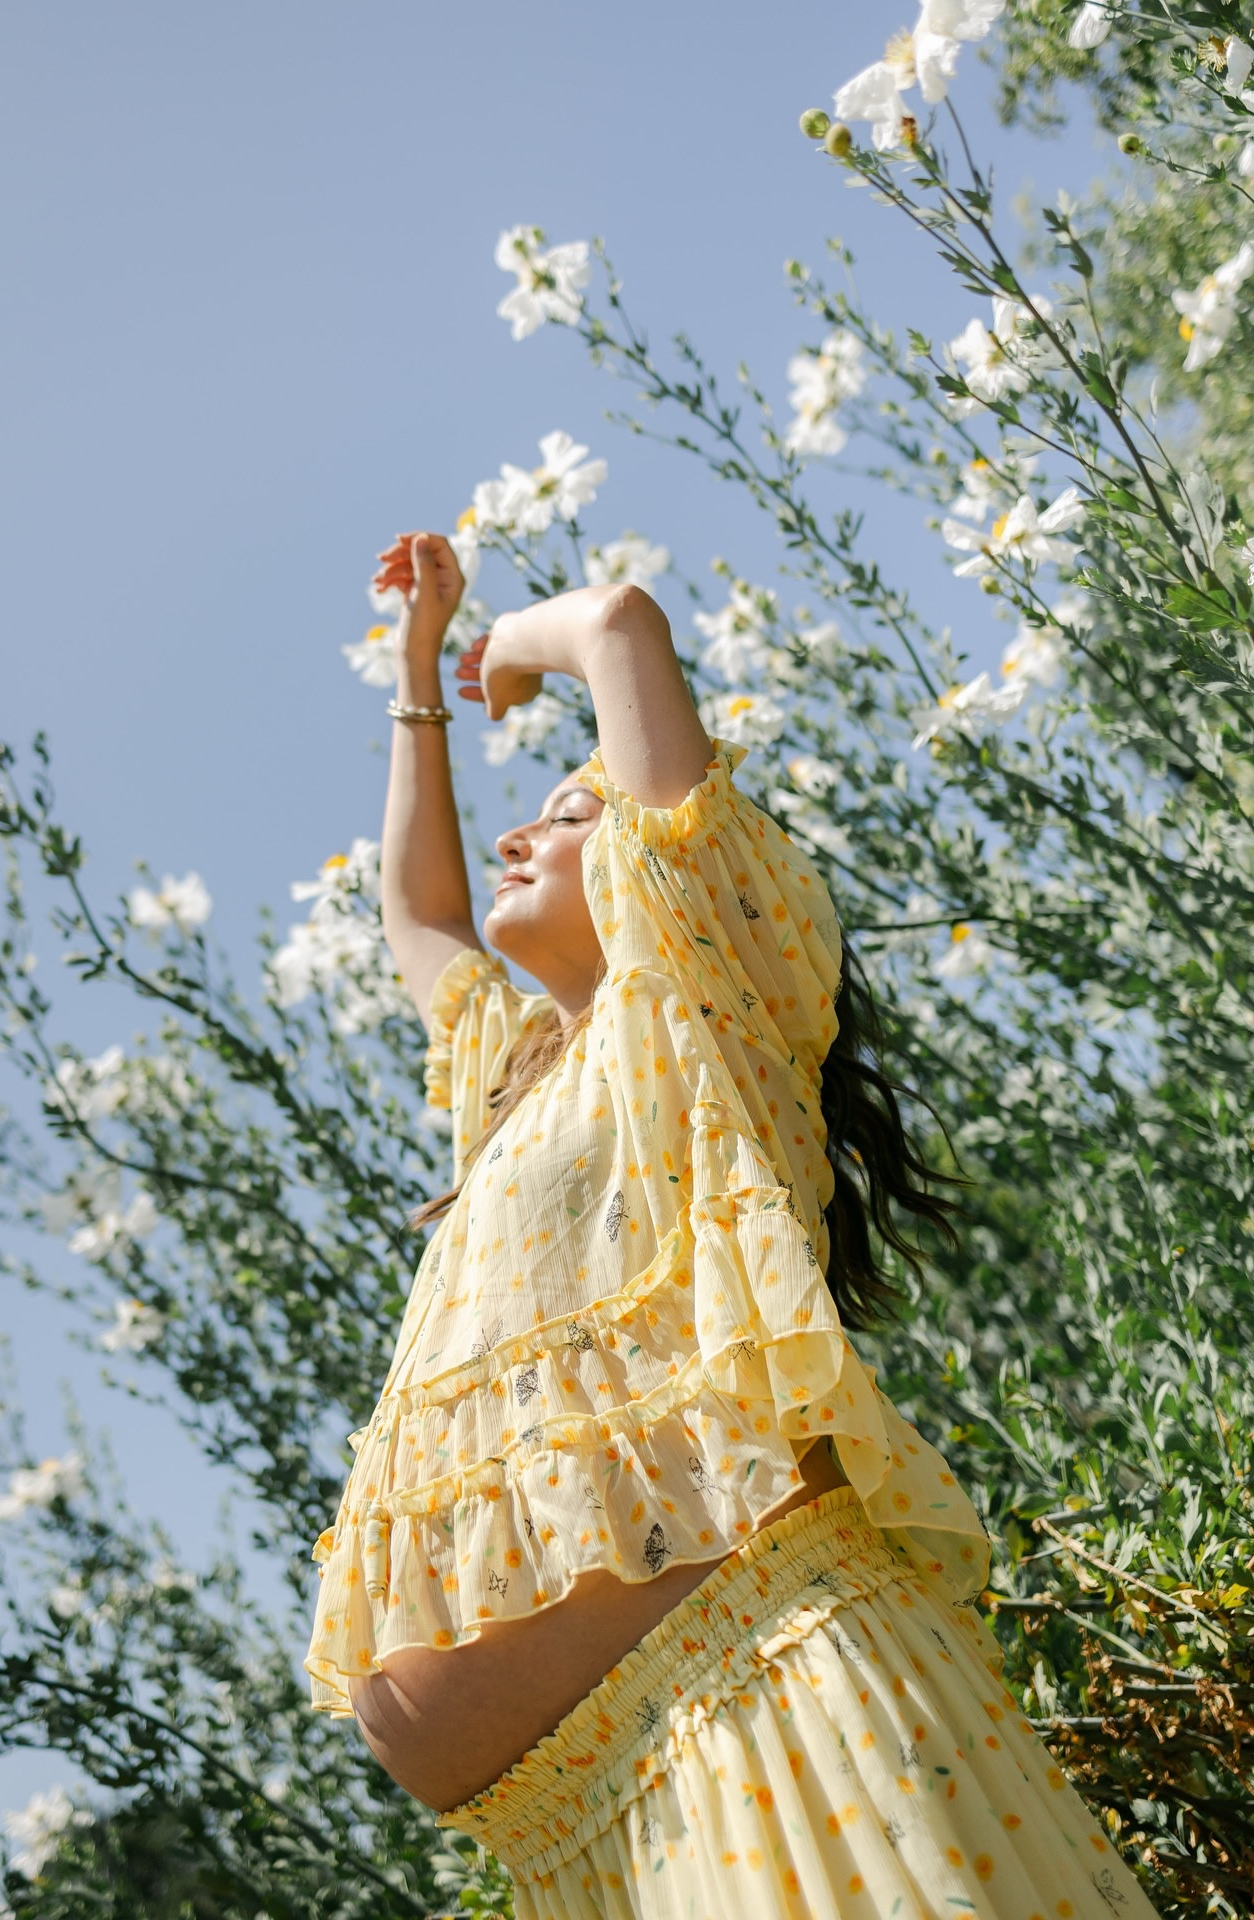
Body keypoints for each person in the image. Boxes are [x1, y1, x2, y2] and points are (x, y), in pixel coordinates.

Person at [304, 532, 1158, 1919]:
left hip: (762, 1707)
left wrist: (504, 648)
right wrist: (418, 671)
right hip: (589, 1836)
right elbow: (419, 915)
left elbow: (620, 624)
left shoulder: (696, 1014)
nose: (523, 835)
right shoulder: (517, 1084)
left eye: (568, 816)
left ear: (667, 879)